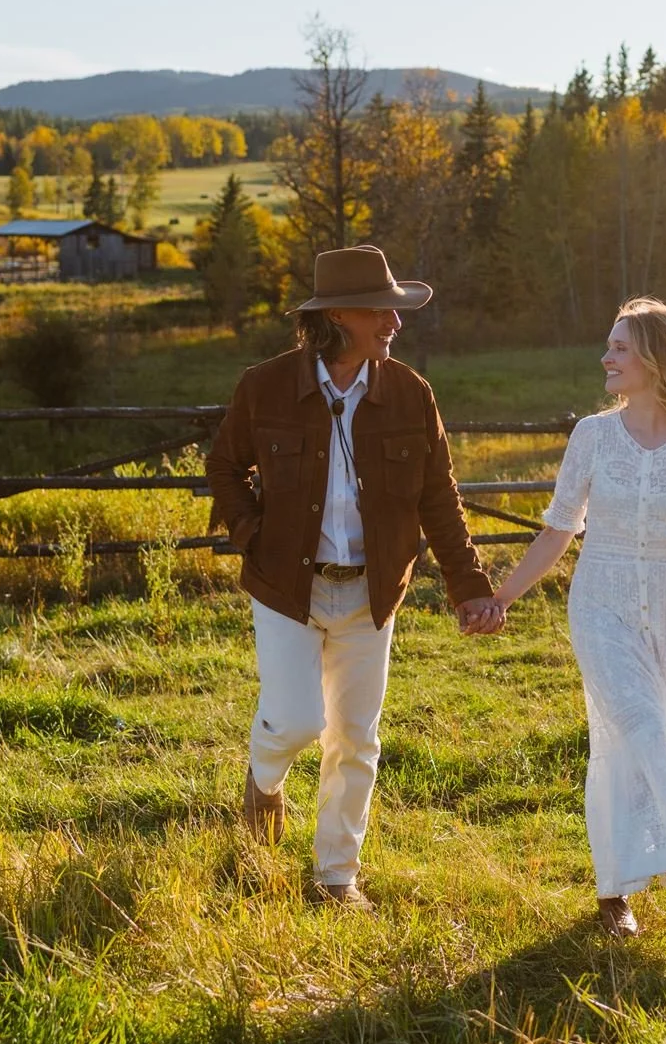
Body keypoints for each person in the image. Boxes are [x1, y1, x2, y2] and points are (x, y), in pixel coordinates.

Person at [205, 244, 504, 912]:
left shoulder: (409, 394)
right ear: (339, 314)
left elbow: (439, 497)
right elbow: (224, 465)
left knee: (356, 737)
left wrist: (470, 585)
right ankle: (264, 777)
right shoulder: (267, 386)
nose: (395, 325)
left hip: (373, 591)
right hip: (287, 585)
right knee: (297, 721)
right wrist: (252, 534)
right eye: (382, 312)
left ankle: (337, 876)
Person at [484, 297, 666, 978]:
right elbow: (558, 529)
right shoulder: (592, 435)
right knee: (642, 732)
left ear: (655, 359)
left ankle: (613, 892)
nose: (605, 358)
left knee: (640, 749)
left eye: (619, 347)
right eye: (608, 345)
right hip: (601, 601)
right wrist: (502, 597)